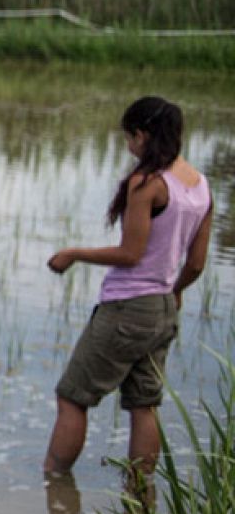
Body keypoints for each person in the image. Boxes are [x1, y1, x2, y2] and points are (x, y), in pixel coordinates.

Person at [43, 97, 214, 487]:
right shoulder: (201, 186)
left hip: (126, 308)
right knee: (144, 405)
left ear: (143, 135)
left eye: (129, 137)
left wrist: (73, 253)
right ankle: (139, 495)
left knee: (73, 397)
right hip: (162, 310)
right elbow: (197, 263)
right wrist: (174, 291)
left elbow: (130, 253)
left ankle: (54, 483)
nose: (128, 146)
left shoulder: (148, 183)